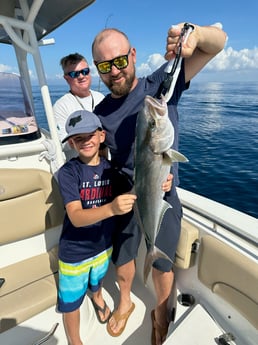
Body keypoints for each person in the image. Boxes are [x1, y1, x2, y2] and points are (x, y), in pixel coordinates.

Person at [91, 24, 227, 344]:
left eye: (120, 61)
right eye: (105, 66)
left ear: (133, 55)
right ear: (98, 69)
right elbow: (102, 156)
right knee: (122, 257)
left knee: (162, 262)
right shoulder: (100, 111)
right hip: (124, 192)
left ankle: (161, 314)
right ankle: (124, 301)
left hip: (162, 193)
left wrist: (196, 36)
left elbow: (217, 44)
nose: (115, 71)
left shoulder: (160, 85)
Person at [57, 109, 137, 345]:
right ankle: (75, 340)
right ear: (71, 143)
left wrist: (162, 181)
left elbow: (137, 190)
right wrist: (111, 209)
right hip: (75, 253)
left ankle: (98, 297)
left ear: (101, 136)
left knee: (97, 280)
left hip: (103, 247)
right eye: (78, 139)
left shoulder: (113, 171)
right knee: (71, 302)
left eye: (90, 135)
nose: (85, 142)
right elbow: (76, 217)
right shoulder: (68, 173)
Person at [53, 53, 105, 159]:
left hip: (105, 164)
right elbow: (61, 143)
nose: (81, 76)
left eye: (85, 71)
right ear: (66, 78)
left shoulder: (100, 97)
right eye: (74, 74)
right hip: (79, 170)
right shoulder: (60, 106)